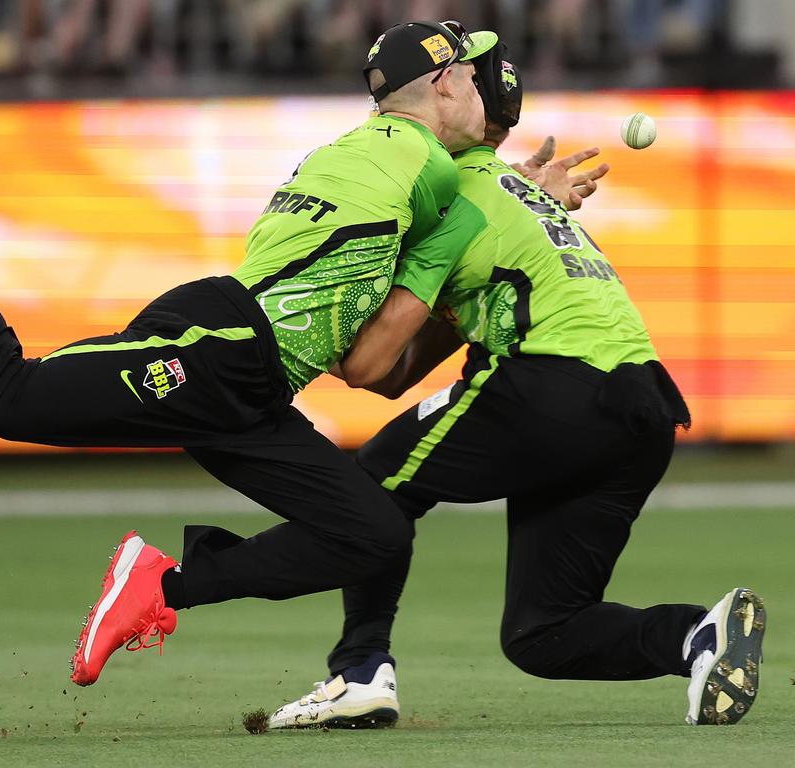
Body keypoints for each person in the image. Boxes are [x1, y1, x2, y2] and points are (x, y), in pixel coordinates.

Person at [0, 22, 521, 690]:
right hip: (221, 346)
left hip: (254, 385)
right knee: (9, 397)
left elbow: (367, 371)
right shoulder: (428, 167)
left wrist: (497, 204)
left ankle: (161, 585)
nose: (488, 106)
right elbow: (468, 203)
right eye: (474, 80)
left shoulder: (376, 152)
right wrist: (521, 197)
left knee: (373, 534)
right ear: (447, 83)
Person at [268, 43, 765, 729]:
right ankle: (696, 638)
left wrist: (311, 332)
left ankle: (358, 670)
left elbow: (376, 370)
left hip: (556, 384)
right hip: (643, 402)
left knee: (373, 483)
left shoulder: (443, 187)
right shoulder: (521, 196)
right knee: (542, 631)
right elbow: (399, 372)